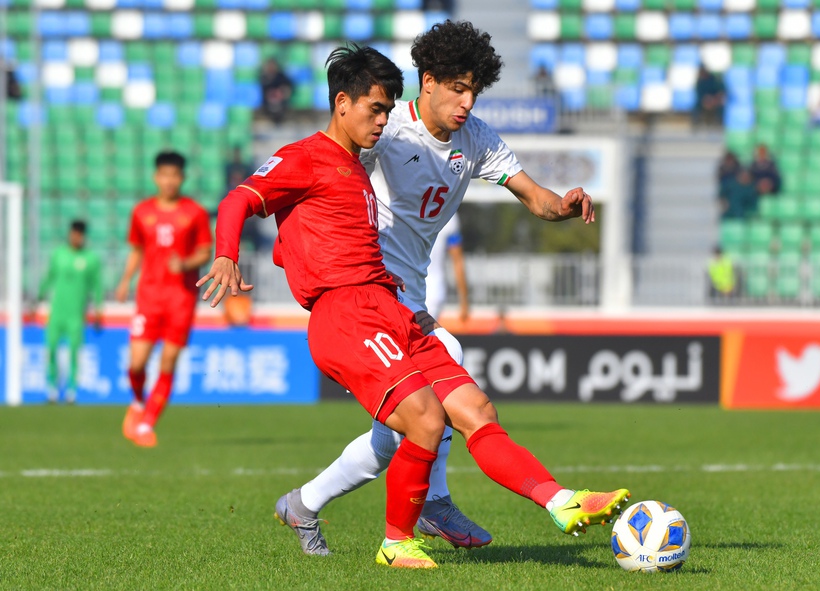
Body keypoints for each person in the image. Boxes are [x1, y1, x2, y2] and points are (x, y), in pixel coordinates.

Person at [199, 43, 629, 569]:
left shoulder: (433, 149)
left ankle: (559, 501)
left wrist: (561, 205)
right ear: (426, 82)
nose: (467, 102)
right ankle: (420, 516)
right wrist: (232, 254)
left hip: (397, 301)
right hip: (355, 305)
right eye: (457, 88)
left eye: (475, 91)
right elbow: (249, 196)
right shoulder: (350, 144)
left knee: (455, 416)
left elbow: (535, 198)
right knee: (425, 416)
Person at [115, 151, 213, 448]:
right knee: (137, 362)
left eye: (175, 175)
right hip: (148, 296)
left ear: (182, 178)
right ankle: (136, 402)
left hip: (181, 298)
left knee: (168, 360)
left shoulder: (194, 213)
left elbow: (204, 252)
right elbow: (136, 250)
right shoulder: (141, 212)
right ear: (156, 177)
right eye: (164, 175)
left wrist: (184, 264)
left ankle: (147, 424)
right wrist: (124, 281)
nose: (169, 181)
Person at [36, 220, 103, 404]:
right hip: (57, 312)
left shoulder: (90, 259)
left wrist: (98, 309)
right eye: (74, 233)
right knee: (50, 349)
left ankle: (72, 390)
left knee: (75, 351)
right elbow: (49, 276)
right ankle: (52, 388)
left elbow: (96, 286)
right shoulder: (58, 254)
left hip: (76, 314)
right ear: (70, 234)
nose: (76, 237)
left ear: (83, 236)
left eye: (79, 234)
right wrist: (40, 294)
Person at [425, 213, 469, 322]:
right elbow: (458, 260)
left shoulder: (407, 203)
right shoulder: (449, 213)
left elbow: (457, 260)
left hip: (430, 291)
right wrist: (464, 301)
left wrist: (464, 301)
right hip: (432, 290)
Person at [259, 57, 294, 125]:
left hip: (282, 104)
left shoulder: (282, 77)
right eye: (269, 66)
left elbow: (289, 89)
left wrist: (282, 92)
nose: (271, 68)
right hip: (266, 105)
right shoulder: (262, 78)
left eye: (272, 66)